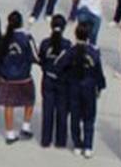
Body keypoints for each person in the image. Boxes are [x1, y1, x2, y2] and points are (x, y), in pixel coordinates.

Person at [63, 22, 106, 158]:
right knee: (89, 118)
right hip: (89, 88)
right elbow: (98, 71)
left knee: (75, 116)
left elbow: (61, 66)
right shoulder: (94, 52)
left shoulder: (71, 52)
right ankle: (88, 146)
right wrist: (100, 86)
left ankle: (77, 144)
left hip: (74, 88)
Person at [0, 10, 38, 145]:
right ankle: (25, 126)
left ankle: (9, 133)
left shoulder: (4, 38)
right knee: (29, 100)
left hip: (8, 77)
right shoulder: (27, 38)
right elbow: (35, 57)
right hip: (24, 76)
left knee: (9, 105)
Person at [38, 15, 71, 149]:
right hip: (62, 81)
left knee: (48, 109)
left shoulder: (45, 43)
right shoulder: (67, 45)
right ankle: (60, 141)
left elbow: (41, 60)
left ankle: (46, 139)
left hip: (47, 79)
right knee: (62, 110)